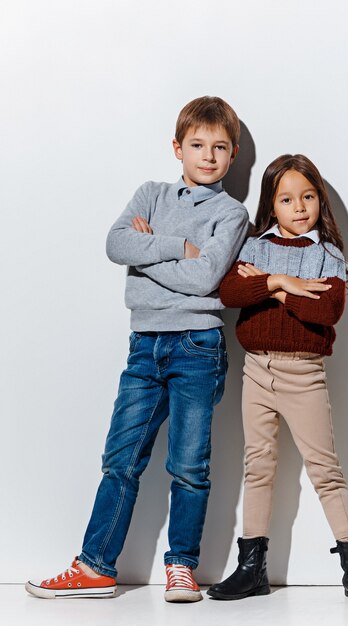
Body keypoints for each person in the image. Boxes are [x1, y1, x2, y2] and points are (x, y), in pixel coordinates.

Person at [26, 96, 249, 602]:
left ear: (233, 154)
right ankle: (95, 566)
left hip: (198, 345)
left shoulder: (232, 214)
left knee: (189, 465)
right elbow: (116, 244)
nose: (208, 156)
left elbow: (205, 278)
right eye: (197, 145)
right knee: (120, 457)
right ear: (178, 147)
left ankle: (182, 567)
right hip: (144, 345)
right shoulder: (149, 194)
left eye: (219, 147)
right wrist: (176, 247)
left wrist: (149, 256)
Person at [207, 154, 348, 604]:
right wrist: (282, 281)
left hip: (304, 373)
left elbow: (327, 310)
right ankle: (251, 568)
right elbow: (230, 291)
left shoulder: (327, 254)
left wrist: (267, 288)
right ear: (273, 204)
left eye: (307, 197)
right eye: (286, 199)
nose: (299, 207)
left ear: (319, 201)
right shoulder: (256, 245)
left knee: (326, 469)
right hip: (257, 370)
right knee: (258, 466)